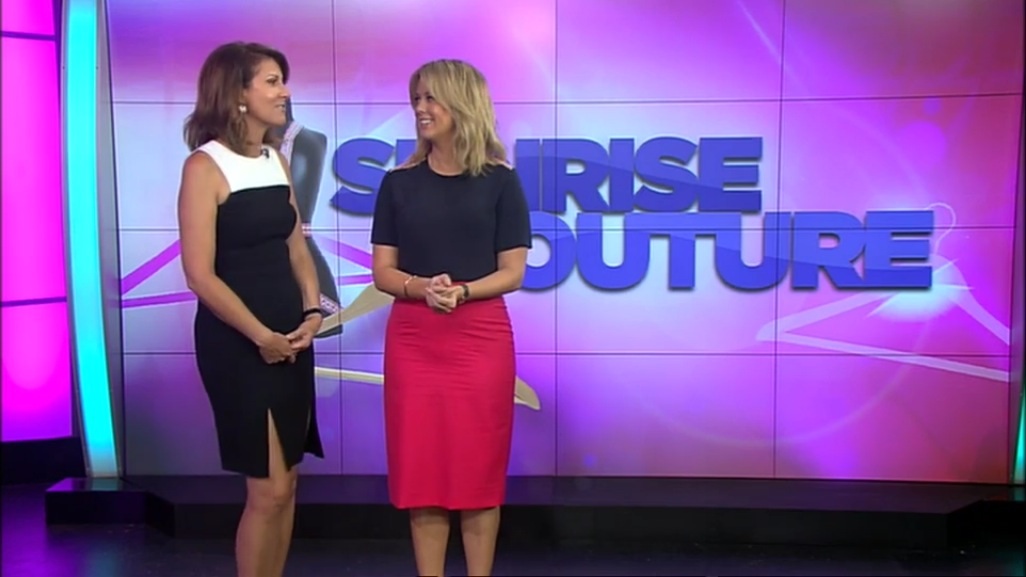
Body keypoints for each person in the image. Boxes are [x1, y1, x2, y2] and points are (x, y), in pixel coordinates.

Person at [370, 59, 532, 577]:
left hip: (479, 337)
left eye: (431, 98)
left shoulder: (501, 182)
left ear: (463, 103)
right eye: (417, 98)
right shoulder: (397, 184)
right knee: (423, 473)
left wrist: (461, 292)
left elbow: (512, 272)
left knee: (477, 471)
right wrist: (420, 288)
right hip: (414, 338)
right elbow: (383, 272)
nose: (421, 109)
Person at [177, 41, 325, 577]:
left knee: (287, 485)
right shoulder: (205, 167)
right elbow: (200, 274)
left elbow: (296, 247)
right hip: (239, 344)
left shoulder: (275, 160)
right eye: (272, 81)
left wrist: (312, 313)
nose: (285, 92)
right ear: (237, 93)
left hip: (291, 338)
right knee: (268, 489)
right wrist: (261, 335)